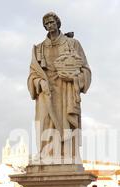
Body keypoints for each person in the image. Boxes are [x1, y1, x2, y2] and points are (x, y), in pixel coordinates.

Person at [28, 12, 91, 162]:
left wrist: (74, 78)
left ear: (57, 23)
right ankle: (45, 156)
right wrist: (39, 83)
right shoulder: (39, 48)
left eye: (52, 22)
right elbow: (32, 75)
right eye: (47, 24)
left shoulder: (73, 44)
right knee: (44, 122)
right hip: (46, 91)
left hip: (65, 89)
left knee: (65, 123)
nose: (50, 25)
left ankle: (68, 155)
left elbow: (86, 70)